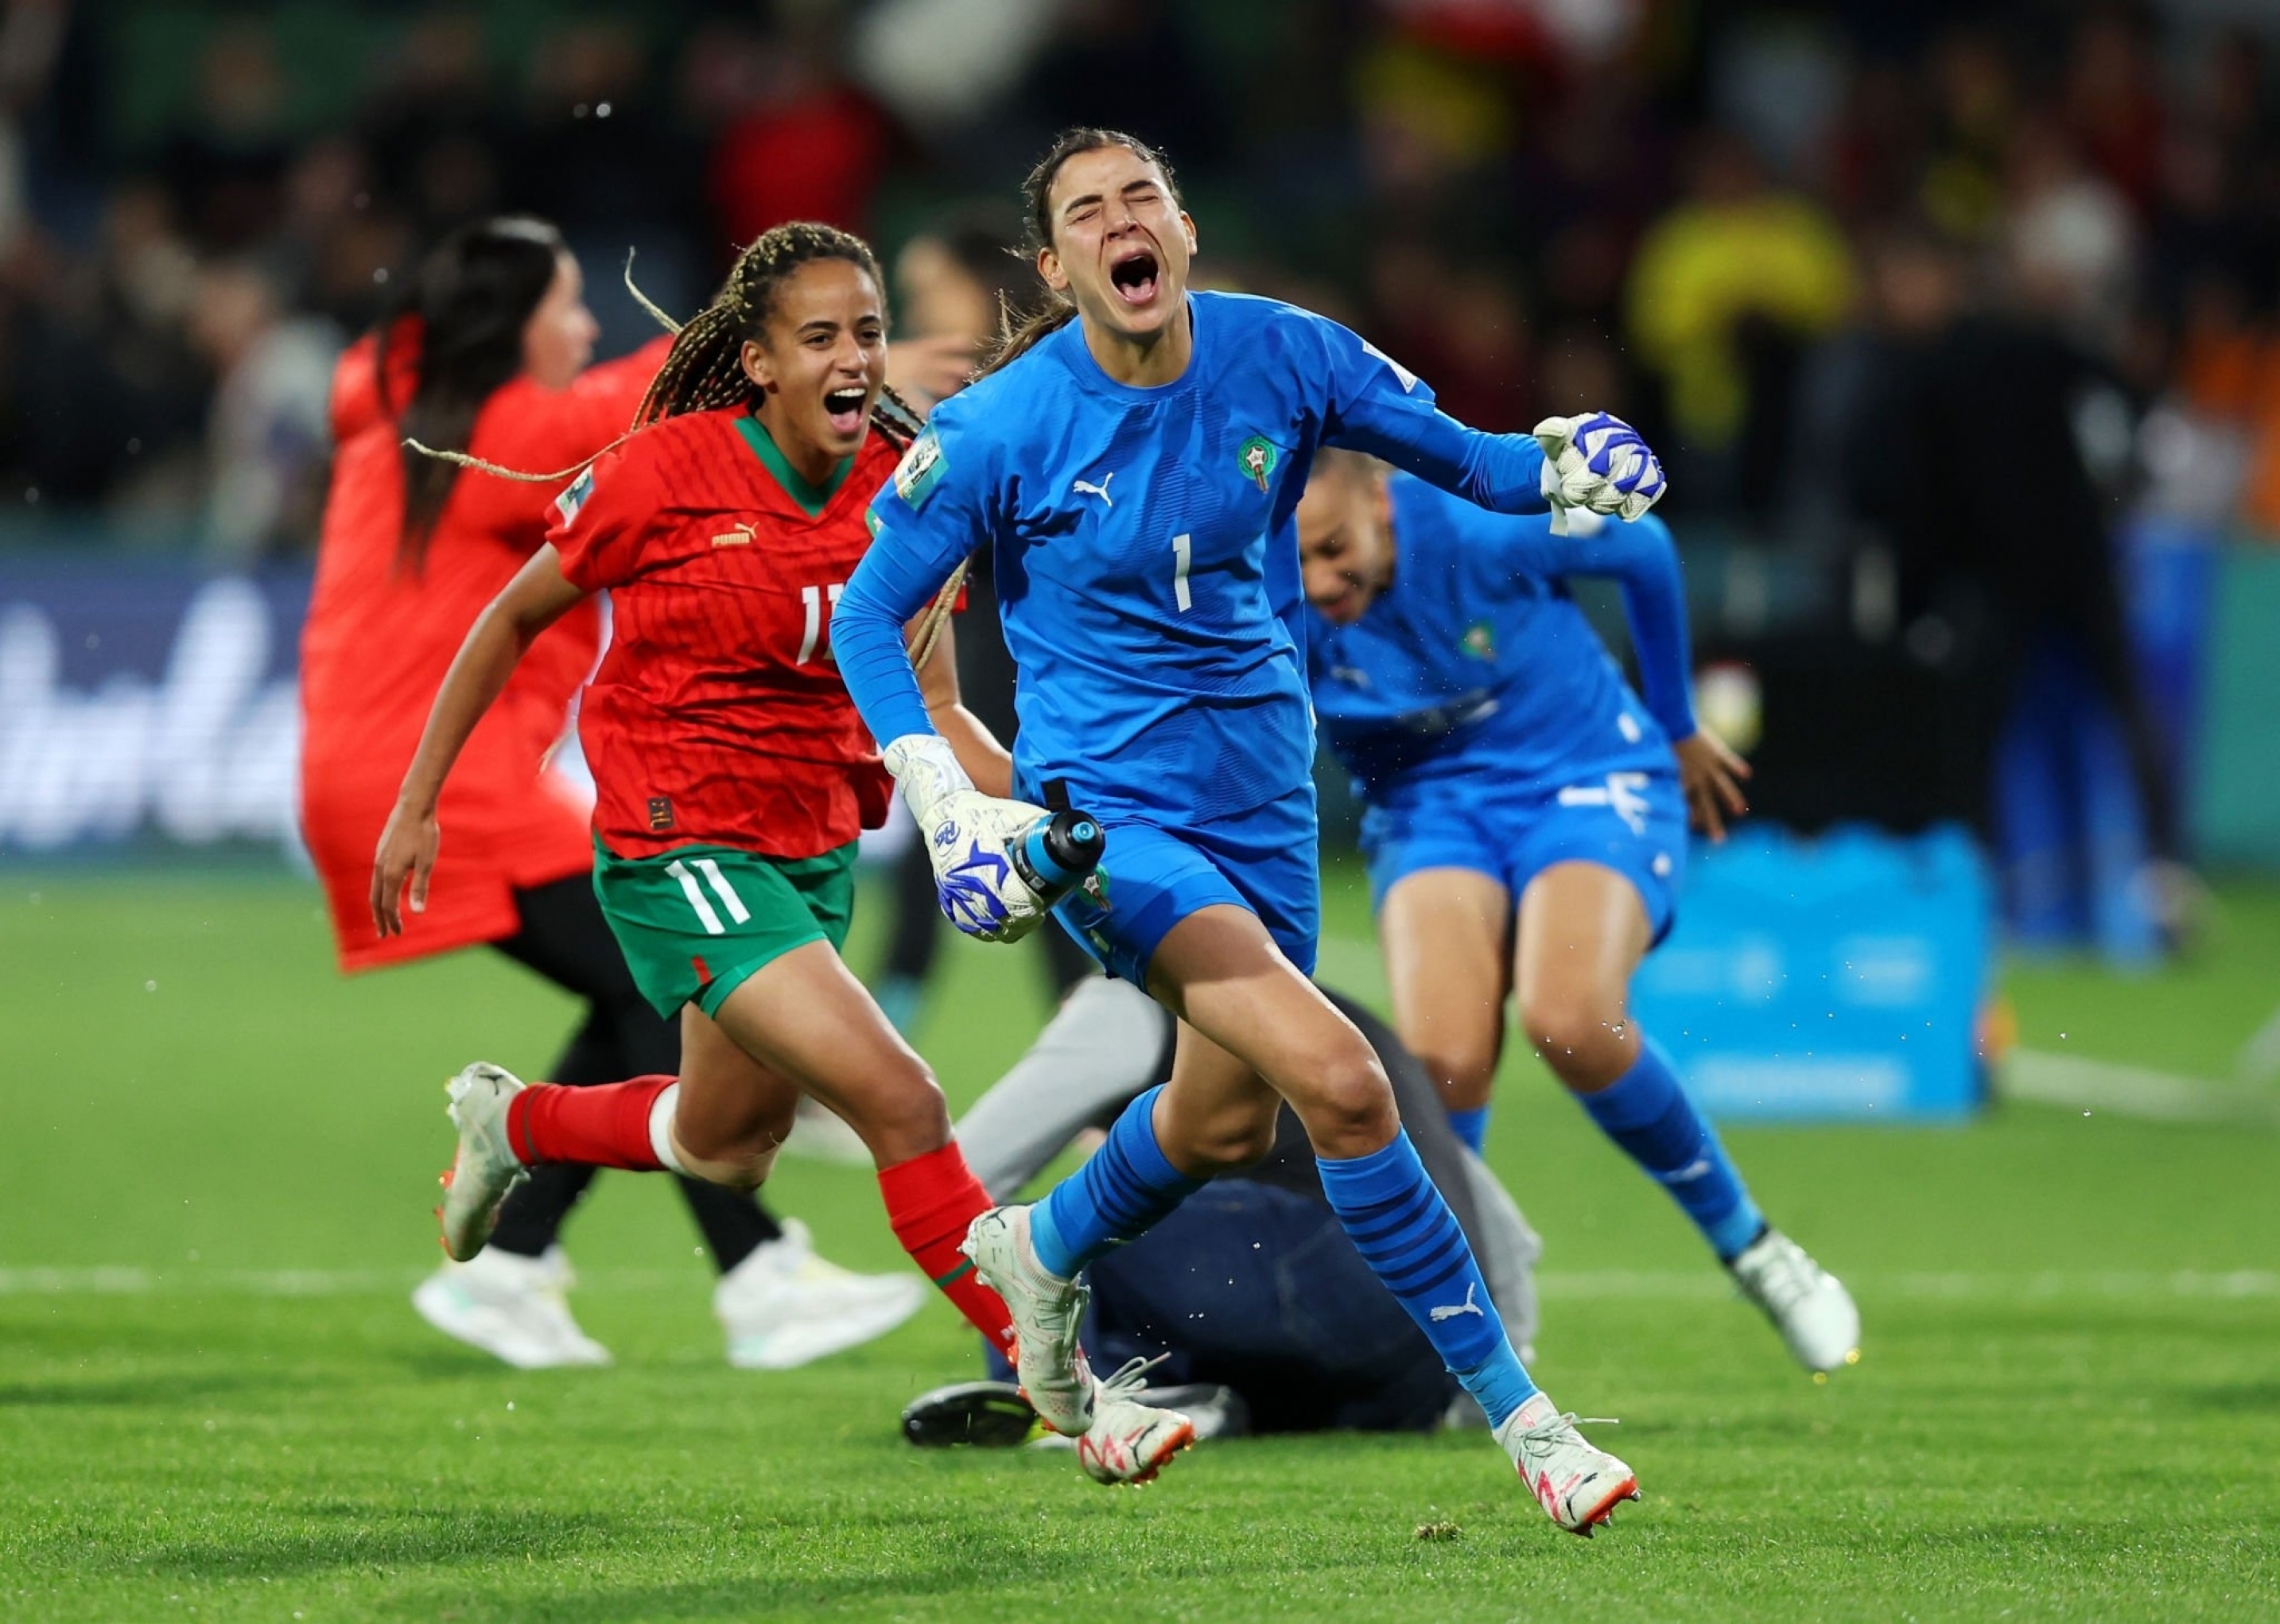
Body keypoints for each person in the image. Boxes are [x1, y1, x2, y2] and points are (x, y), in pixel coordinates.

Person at [831, 128, 1666, 1535]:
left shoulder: (1288, 355)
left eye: (1140, 195)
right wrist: (948, 796)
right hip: (1110, 813)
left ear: (1185, 228)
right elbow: (865, 612)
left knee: (1219, 1119)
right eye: (1086, 211)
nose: (1120, 222)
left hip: (1264, 798)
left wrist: (1570, 464)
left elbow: (1473, 464)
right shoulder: (1002, 426)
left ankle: (1037, 1249)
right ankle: (1530, 1425)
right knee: (1346, 1086)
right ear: (1055, 266)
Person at [368, 220, 1190, 1486]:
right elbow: (512, 613)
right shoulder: (661, 475)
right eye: (820, 336)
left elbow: (942, 717)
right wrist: (418, 798)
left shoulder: (910, 492)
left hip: (808, 852)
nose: (855, 355)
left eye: (867, 330)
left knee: (722, 1140)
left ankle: (512, 1120)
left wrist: (1065, 811)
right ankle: (1070, 1393)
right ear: (756, 361)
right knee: (902, 1100)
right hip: (673, 839)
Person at [301, 215, 917, 1371]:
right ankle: (750, 1270)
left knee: (646, 984)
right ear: (511, 324)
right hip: (444, 774)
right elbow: (654, 408)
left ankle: (528, 1248)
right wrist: (803, 331)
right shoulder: (497, 430)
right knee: (680, 973)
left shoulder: (404, 407)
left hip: (407, 762)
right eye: (568, 305)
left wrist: (813, 342)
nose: (586, 327)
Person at [1292, 449, 1861, 1373]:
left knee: (1570, 1019)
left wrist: (1676, 721)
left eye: (1333, 548)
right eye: (1297, 562)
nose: (1319, 583)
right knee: (1438, 1069)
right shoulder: (1265, 591)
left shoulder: (1474, 526)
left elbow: (1642, 546)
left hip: (1583, 774)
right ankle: (1468, 1337)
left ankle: (1756, 1250)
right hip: (1431, 810)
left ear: (1381, 498)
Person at [903, 978, 1542, 1446]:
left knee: (1031, 1230)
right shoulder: (1343, 1023)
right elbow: (1506, 1234)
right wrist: (1476, 1385)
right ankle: (1184, 1399)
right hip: (1414, 1368)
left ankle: (1062, 1406)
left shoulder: (1130, 997)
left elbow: (970, 1174)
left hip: (1311, 1272)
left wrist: (1010, 1287)